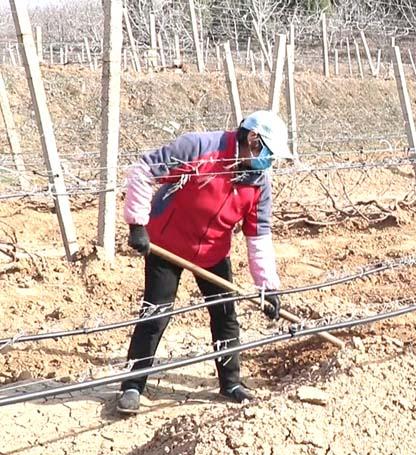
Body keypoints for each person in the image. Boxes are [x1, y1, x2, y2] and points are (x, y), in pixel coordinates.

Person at [115, 110, 292, 415]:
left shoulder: (258, 182)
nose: (269, 163)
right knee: (155, 315)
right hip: (166, 244)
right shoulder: (197, 148)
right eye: (268, 154)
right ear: (252, 139)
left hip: (212, 251)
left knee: (225, 316)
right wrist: (137, 224)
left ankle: (231, 383)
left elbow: (258, 235)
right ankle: (132, 385)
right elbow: (144, 170)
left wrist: (267, 287)